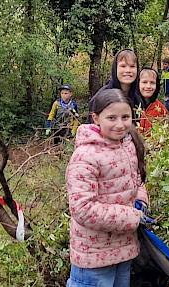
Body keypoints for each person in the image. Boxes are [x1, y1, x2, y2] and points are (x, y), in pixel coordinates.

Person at [65, 88, 154, 287]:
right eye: (111, 117)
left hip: (123, 249)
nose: (120, 124)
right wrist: (133, 217)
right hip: (94, 256)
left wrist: (141, 201)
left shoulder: (128, 144)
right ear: (96, 118)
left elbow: (137, 180)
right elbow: (83, 209)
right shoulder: (85, 156)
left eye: (125, 117)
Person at [87, 49, 141, 123]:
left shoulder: (139, 99)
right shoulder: (101, 97)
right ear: (115, 69)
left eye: (132, 66)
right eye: (123, 66)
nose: (128, 70)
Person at [136, 68, 168, 135]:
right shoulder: (131, 106)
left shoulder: (161, 109)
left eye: (152, 83)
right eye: (144, 82)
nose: (148, 86)